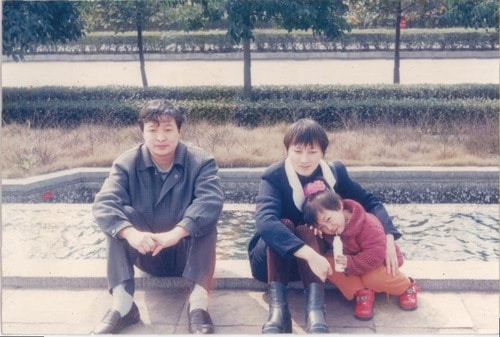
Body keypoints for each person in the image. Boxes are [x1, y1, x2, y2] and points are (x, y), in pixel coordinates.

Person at [248, 118, 402, 333]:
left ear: (322, 153)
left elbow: (370, 201)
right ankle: (278, 311)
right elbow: (265, 221)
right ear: (287, 150)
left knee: (307, 230)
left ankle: (315, 312)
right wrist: (310, 256)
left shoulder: (334, 172)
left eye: (312, 152)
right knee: (283, 223)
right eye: (297, 151)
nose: (304, 159)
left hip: (316, 268)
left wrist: (388, 237)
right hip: (272, 263)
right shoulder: (274, 176)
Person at [91, 99, 224, 334]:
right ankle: (123, 305)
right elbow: (104, 203)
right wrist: (130, 233)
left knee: (205, 220)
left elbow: (211, 201)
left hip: (186, 252)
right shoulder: (126, 163)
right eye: (153, 130)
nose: (160, 137)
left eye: (168, 129)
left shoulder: (201, 161)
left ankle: (198, 305)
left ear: (179, 131)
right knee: (120, 219)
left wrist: (178, 232)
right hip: (148, 254)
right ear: (142, 132)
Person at [302, 178, 418, 320]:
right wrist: (317, 232)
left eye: (328, 220)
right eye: (322, 227)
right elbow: (328, 245)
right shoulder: (331, 230)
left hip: (378, 262)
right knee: (327, 263)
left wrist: (351, 263)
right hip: (353, 262)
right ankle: (362, 293)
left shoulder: (368, 224)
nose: (329, 228)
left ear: (339, 206)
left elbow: (376, 254)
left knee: (372, 278)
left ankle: (406, 286)